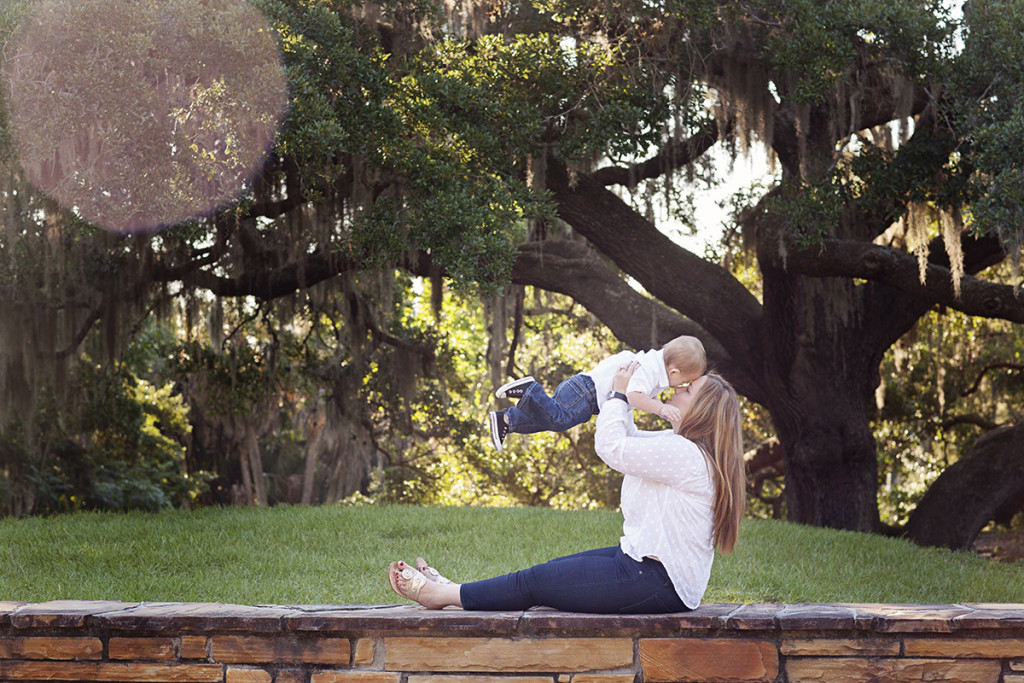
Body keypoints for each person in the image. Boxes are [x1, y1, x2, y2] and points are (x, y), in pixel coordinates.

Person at [387, 364, 745, 614]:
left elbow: (612, 447)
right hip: (643, 567)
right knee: (547, 573)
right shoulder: (683, 448)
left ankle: (441, 595)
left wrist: (620, 396)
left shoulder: (684, 454)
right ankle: (455, 592)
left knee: (536, 582)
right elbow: (629, 437)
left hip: (654, 581)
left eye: (687, 389)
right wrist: (627, 394)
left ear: (703, 410)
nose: (676, 388)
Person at [488, 335, 706, 451]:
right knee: (558, 420)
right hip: (586, 392)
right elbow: (633, 396)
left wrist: (658, 407)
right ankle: (531, 391)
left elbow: (642, 393)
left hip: (585, 393)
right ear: (674, 371)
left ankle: (506, 420)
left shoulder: (654, 366)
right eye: (684, 381)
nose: (679, 387)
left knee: (545, 419)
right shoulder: (649, 370)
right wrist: (661, 409)